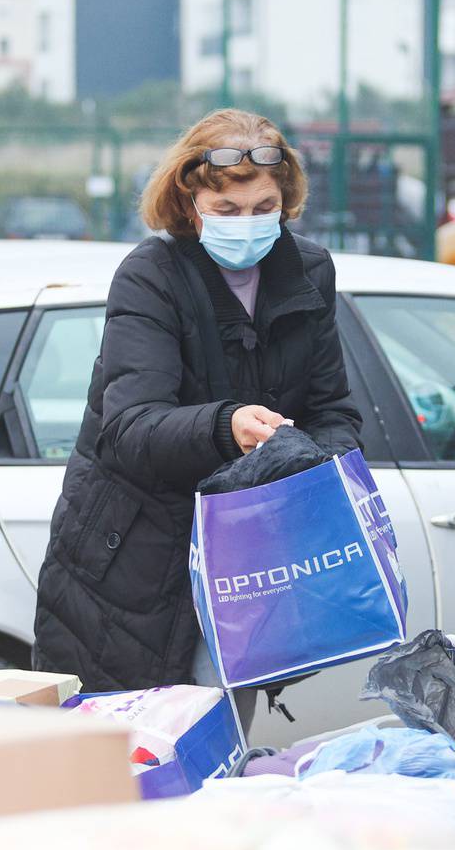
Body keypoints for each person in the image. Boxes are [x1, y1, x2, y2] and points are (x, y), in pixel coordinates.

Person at [33, 109, 362, 720]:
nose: (250, 224)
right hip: (133, 555)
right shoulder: (150, 275)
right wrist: (226, 425)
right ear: (191, 204)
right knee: (138, 757)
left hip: (242, 555)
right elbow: (130, 426)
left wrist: (316, 469)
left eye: (265, 208)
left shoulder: (309, 271)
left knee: (219, 748)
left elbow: (332, 408)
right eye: (229, 211)